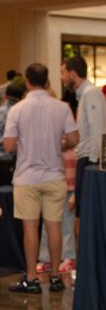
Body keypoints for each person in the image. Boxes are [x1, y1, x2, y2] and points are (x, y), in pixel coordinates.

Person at [3, 62, 78, 294]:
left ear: (27, 81)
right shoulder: (62, 107)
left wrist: (23, 144)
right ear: (47, 82)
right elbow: (74, 139)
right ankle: (56, 276)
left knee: (30, 227)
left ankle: (32, 278)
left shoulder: (17, 109)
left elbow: (8, 145)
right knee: (54, 226)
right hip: (54, 175)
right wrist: (60, 142)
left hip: (26, 177)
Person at [59, 56, 106, 232]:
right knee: (82, 212)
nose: (61, 77)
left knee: (84, 213)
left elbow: (98, 131)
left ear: (72, 74)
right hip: (88, 160)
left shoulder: (91, 94)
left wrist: (95, 165)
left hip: (90, 162)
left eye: (63, 72)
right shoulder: (85, 95)